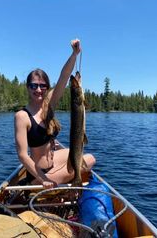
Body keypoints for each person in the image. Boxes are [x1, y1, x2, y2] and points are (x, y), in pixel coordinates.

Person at [14, 39, 96, 189]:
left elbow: (64, 77)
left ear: (47, 87)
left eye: (42, 86)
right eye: (34, 85)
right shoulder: (22, 116)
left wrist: (74, 54)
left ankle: (66, 174)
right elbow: (22, 155)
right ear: (27, 87)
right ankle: (50, 181)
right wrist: (43, 178)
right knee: (86, 162)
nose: (38, 90)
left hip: (53, 161)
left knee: (90, 158)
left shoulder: (48, 105)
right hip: (39, 172)